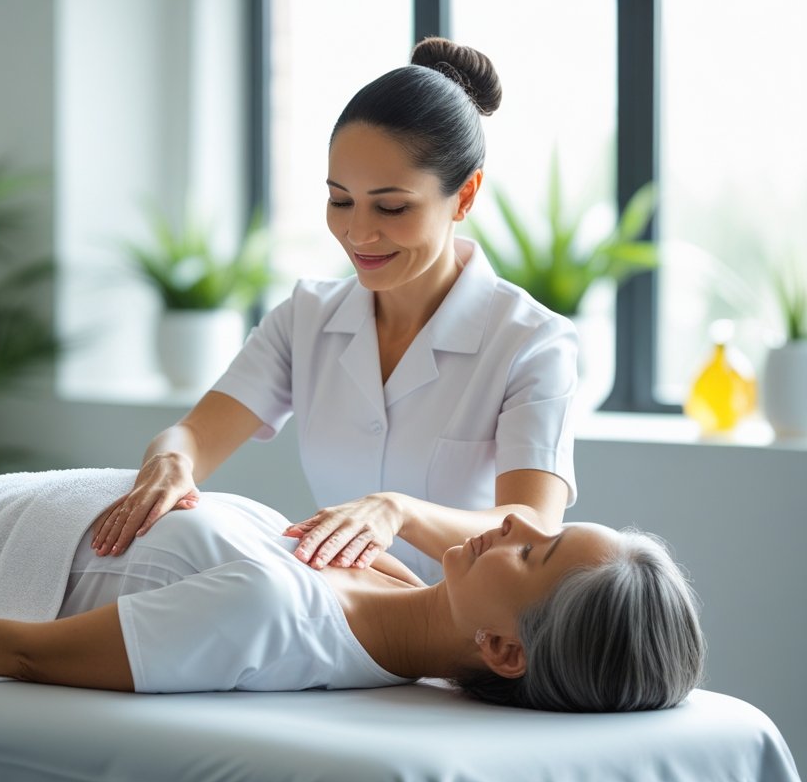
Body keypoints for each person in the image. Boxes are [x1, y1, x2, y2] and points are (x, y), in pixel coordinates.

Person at [90, 37, 577, 586]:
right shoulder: (307, 316)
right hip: (352, 617)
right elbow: (195, 436)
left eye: (392, 207)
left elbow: (532, 527)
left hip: (473, 632)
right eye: (340, 200)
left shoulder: (531, 341)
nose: (358, 232)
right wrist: (172, 462)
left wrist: (399, 511)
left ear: (464, 197)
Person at [0, 487, 704, 714]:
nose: (501, 520)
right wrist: (403, 509)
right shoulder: (406, 591)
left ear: (501, 650)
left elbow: (33, 652)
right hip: (46, 499)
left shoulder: (268, 621)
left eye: (529, 550)